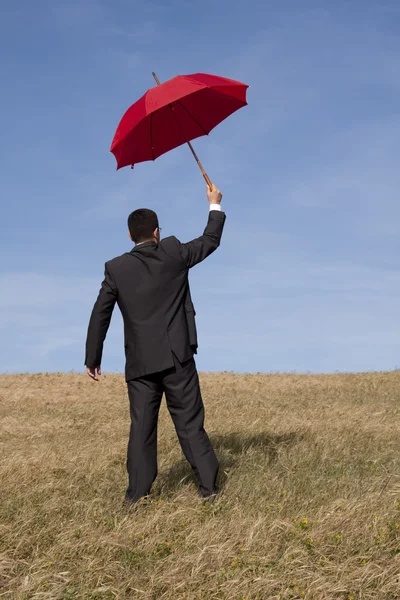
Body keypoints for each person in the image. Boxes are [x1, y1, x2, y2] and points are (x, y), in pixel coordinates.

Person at [85, 184, 225, 505]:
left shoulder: (116, 269)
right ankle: (209, 491)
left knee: (142, 431)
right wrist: (213, 204)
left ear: (131, 237)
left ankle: (136, 498)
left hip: (140, 365)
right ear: (157, 232)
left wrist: (93, 356)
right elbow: (210, 241)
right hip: (177, 358)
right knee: (190, 425)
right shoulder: (174, 252)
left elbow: (100, 313)